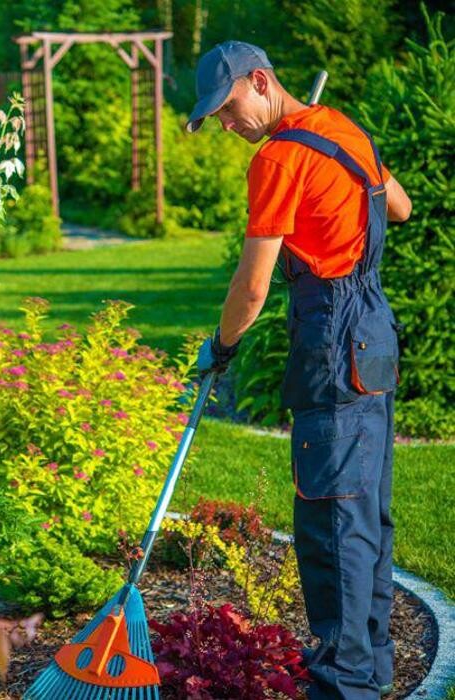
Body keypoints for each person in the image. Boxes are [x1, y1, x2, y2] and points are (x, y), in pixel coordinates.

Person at [190, 41, 412, 700]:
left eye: (229, 109)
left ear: (262, 81)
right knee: (365, 510)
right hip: (373, 331)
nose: (229, 127)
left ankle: (343, 686)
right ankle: (369, 669)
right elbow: (398, 207)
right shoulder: (340, 129)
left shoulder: (280, 158)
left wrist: (222, 346)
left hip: (331, 337)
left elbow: (253, 288)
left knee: (332, 520)